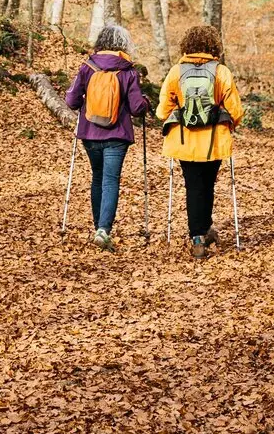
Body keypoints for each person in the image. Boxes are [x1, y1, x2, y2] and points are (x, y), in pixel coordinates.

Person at [158, 24, 244, 259]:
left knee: (193, 186)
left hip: (184, 140)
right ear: (213, 46)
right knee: (207, 185)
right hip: (214, 140)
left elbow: (162, 109)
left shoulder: (176, 72)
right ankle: (203, 230)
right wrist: (230, 123)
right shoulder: (221, 72)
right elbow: (235, 110)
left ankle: (199, 235)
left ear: (187, 45)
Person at [64, 23, 150, 249]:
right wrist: (146, 103)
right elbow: (137, 108)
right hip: (117, 135)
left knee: (97, 177)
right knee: (110, 180)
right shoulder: (128, 71)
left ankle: (98, 227)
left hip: (90, 133)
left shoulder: (88, 67)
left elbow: (71, 101)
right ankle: (103, 230)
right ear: (123, 44)